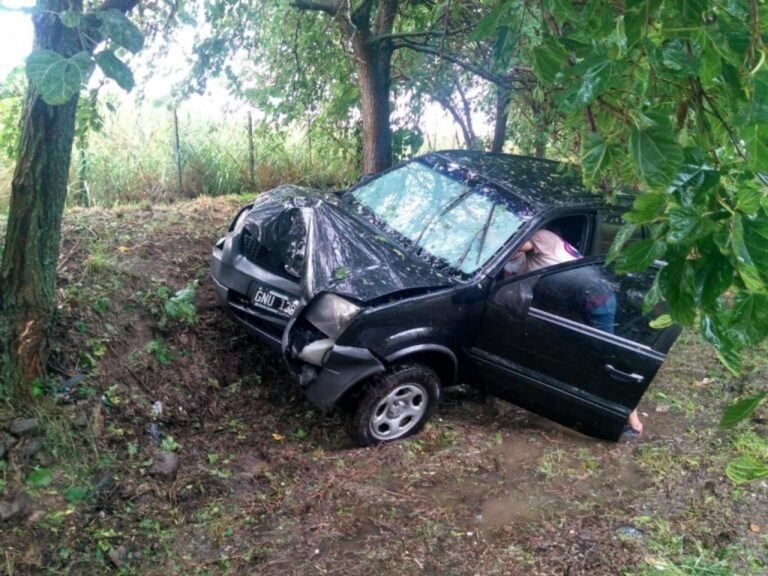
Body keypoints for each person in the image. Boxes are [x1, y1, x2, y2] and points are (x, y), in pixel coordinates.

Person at [506, 228, 643, 438]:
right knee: (579, 352)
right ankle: (582, 399)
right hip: (578, 301)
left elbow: (512, 248)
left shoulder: (542, 236)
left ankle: (632, 420)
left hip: (596, 299)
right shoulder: (532, 259)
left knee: (606, 357)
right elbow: (512, 280)